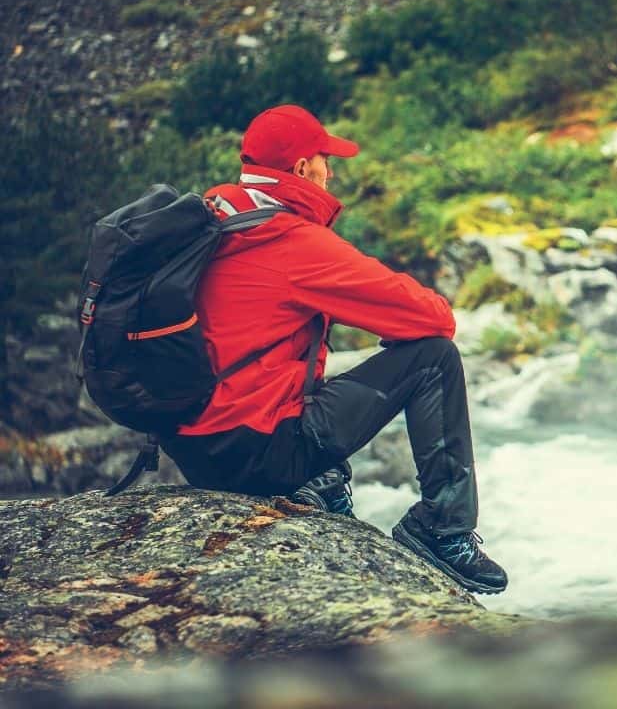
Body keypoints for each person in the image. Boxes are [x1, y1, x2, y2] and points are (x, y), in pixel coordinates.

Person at [160, 104, 507, 595]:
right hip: (257, 452)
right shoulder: (290, 240)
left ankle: (318, 483)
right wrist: (392, 333)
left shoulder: (215, 220)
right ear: (302, 168)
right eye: (326, 159)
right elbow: (434, 318)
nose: (331, 171)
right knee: (434, 357)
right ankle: (441, 529)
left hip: (194, 447)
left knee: (287, 367)